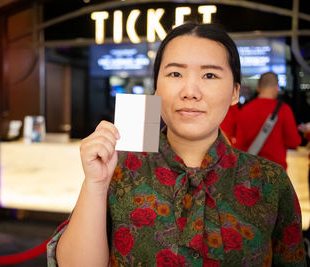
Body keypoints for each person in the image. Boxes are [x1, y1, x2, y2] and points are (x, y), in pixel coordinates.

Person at [47, 22, 306, 266]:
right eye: (175, 73)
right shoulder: (120, 170)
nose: (190, 91)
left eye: (209, 75)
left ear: (235, 92)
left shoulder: (271, 182)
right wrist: (95, 183)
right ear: (157, 88)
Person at [235, 72, 302, 170]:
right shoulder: (284, 110)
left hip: (251, 169)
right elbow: (293, 142)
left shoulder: (245, 110)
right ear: (277, 88)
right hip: (276, 172)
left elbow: (239, 145)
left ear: (258, 88)